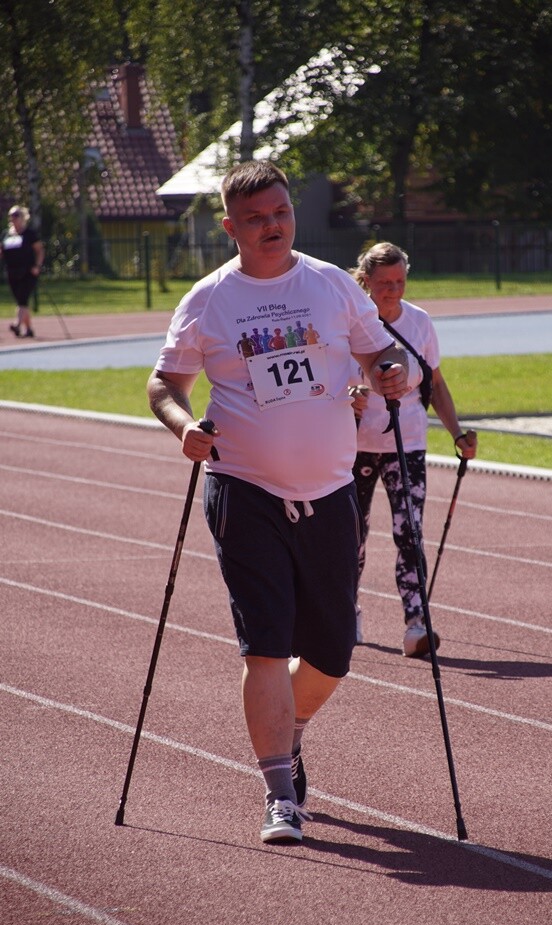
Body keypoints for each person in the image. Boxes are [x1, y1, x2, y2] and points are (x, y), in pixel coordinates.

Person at [146, 162, 417, 845]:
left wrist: (388, 371)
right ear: (231, 227)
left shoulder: (330, 285)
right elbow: (164, 384)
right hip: (244, 490)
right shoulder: (209, 300)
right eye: (257, 217)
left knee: (331, 651)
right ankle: (279, 794)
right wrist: (186, 428)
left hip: (329, 491)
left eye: (281, 212)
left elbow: (380, 352)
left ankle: (287, 732)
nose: (272, 225)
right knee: (264, 643)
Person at [349, 242, 477, 658]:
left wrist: (457, 434)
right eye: (385, 283)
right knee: (351, 536)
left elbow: (435, 384)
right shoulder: (350, 320)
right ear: (366, 281)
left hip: (408, 445)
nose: (394, 290)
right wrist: (344, 396)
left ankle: (416, 624)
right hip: (353, 446)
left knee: (410, 533)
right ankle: (345, 611)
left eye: (400, 282)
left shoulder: (419, 322)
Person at [1, 205, 44, 338]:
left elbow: (39, 250)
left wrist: (37, 266)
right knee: (21, 301)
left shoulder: (29, 234)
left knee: (22, 299)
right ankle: (29, 329)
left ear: (22, 217)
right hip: (12, 272)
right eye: (11, 216)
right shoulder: (6, 234)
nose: (13, 218)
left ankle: (17, 324)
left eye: (16, 215)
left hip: (28, 271)